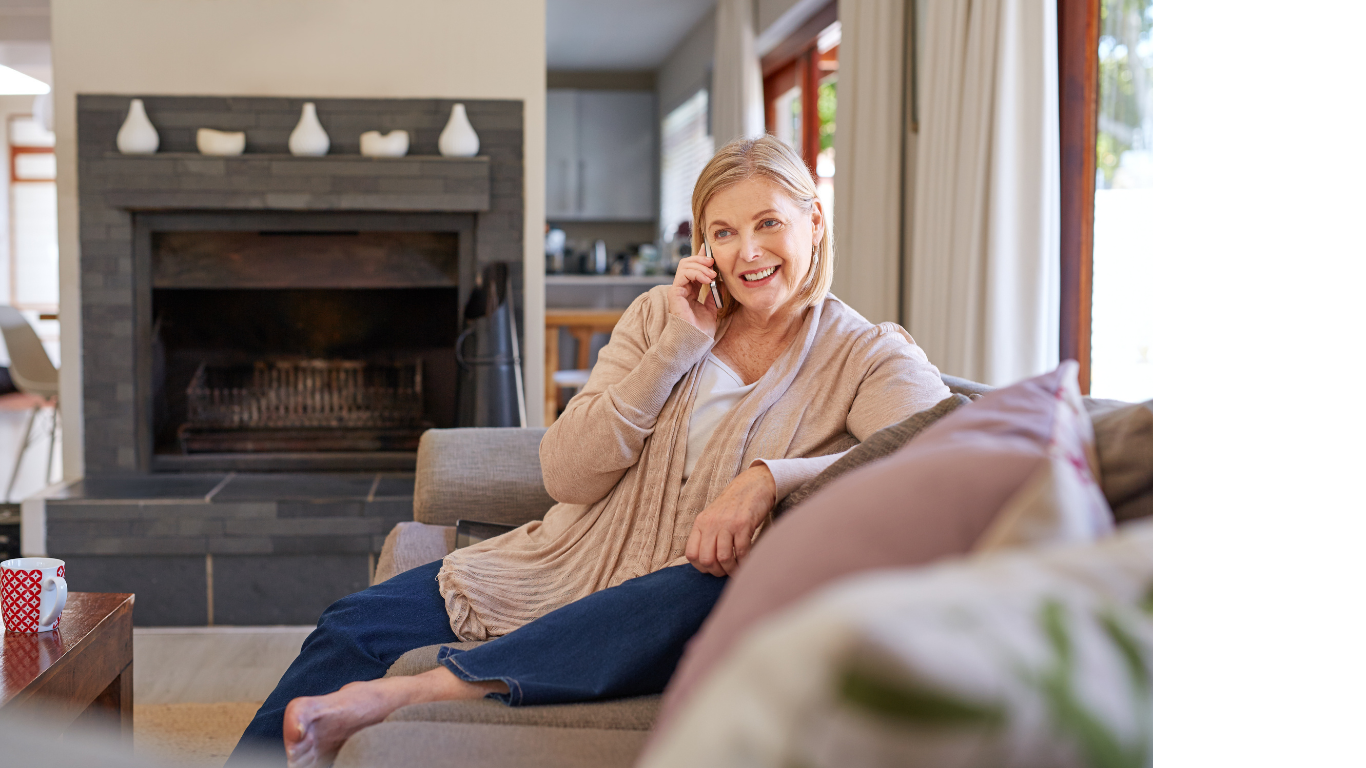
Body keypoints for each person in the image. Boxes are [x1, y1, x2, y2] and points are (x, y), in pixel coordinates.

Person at [228, 135, 951, 767]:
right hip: (569, 560)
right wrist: (675, 349)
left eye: (769, 223)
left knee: (710, 579)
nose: (748, 253)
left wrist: (768, 480)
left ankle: (416, 691)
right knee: (351, 623)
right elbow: (564, 471)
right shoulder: (656, 319)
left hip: (689, 592)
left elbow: (934, 453)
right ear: (701, 244)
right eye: (724, 233)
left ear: (814, 221)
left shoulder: (865, 353)